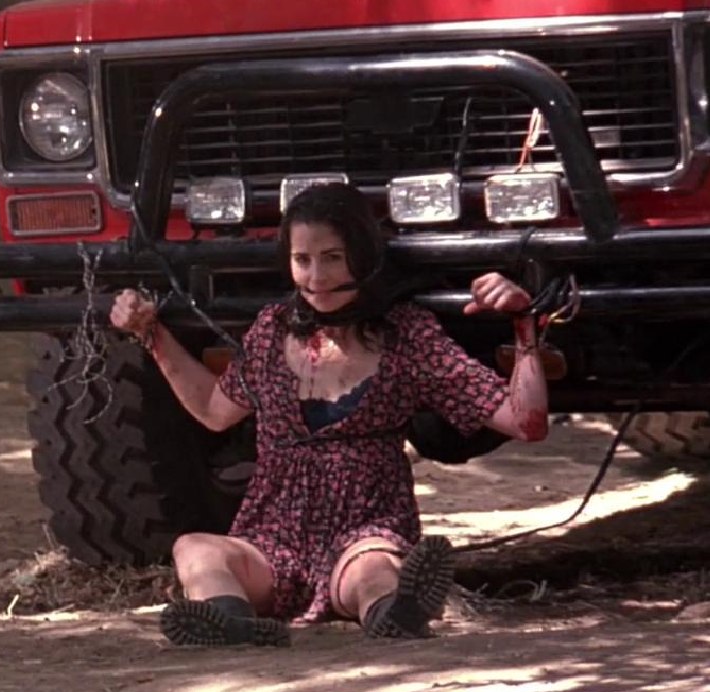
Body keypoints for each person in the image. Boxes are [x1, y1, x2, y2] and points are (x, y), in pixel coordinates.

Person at [109, 183, 548, 645]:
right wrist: (151, 334)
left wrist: (524, 324)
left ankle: (394, 613)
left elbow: (526, 422)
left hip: (365, 532)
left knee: (374, 570)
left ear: (363, 256)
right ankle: (231, 624)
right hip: (271, 541)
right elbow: (213, 411)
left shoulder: (409, 336)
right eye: (302, 260)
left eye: (333, 258)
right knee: (194, 549)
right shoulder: (271, 330)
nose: (316, 277)